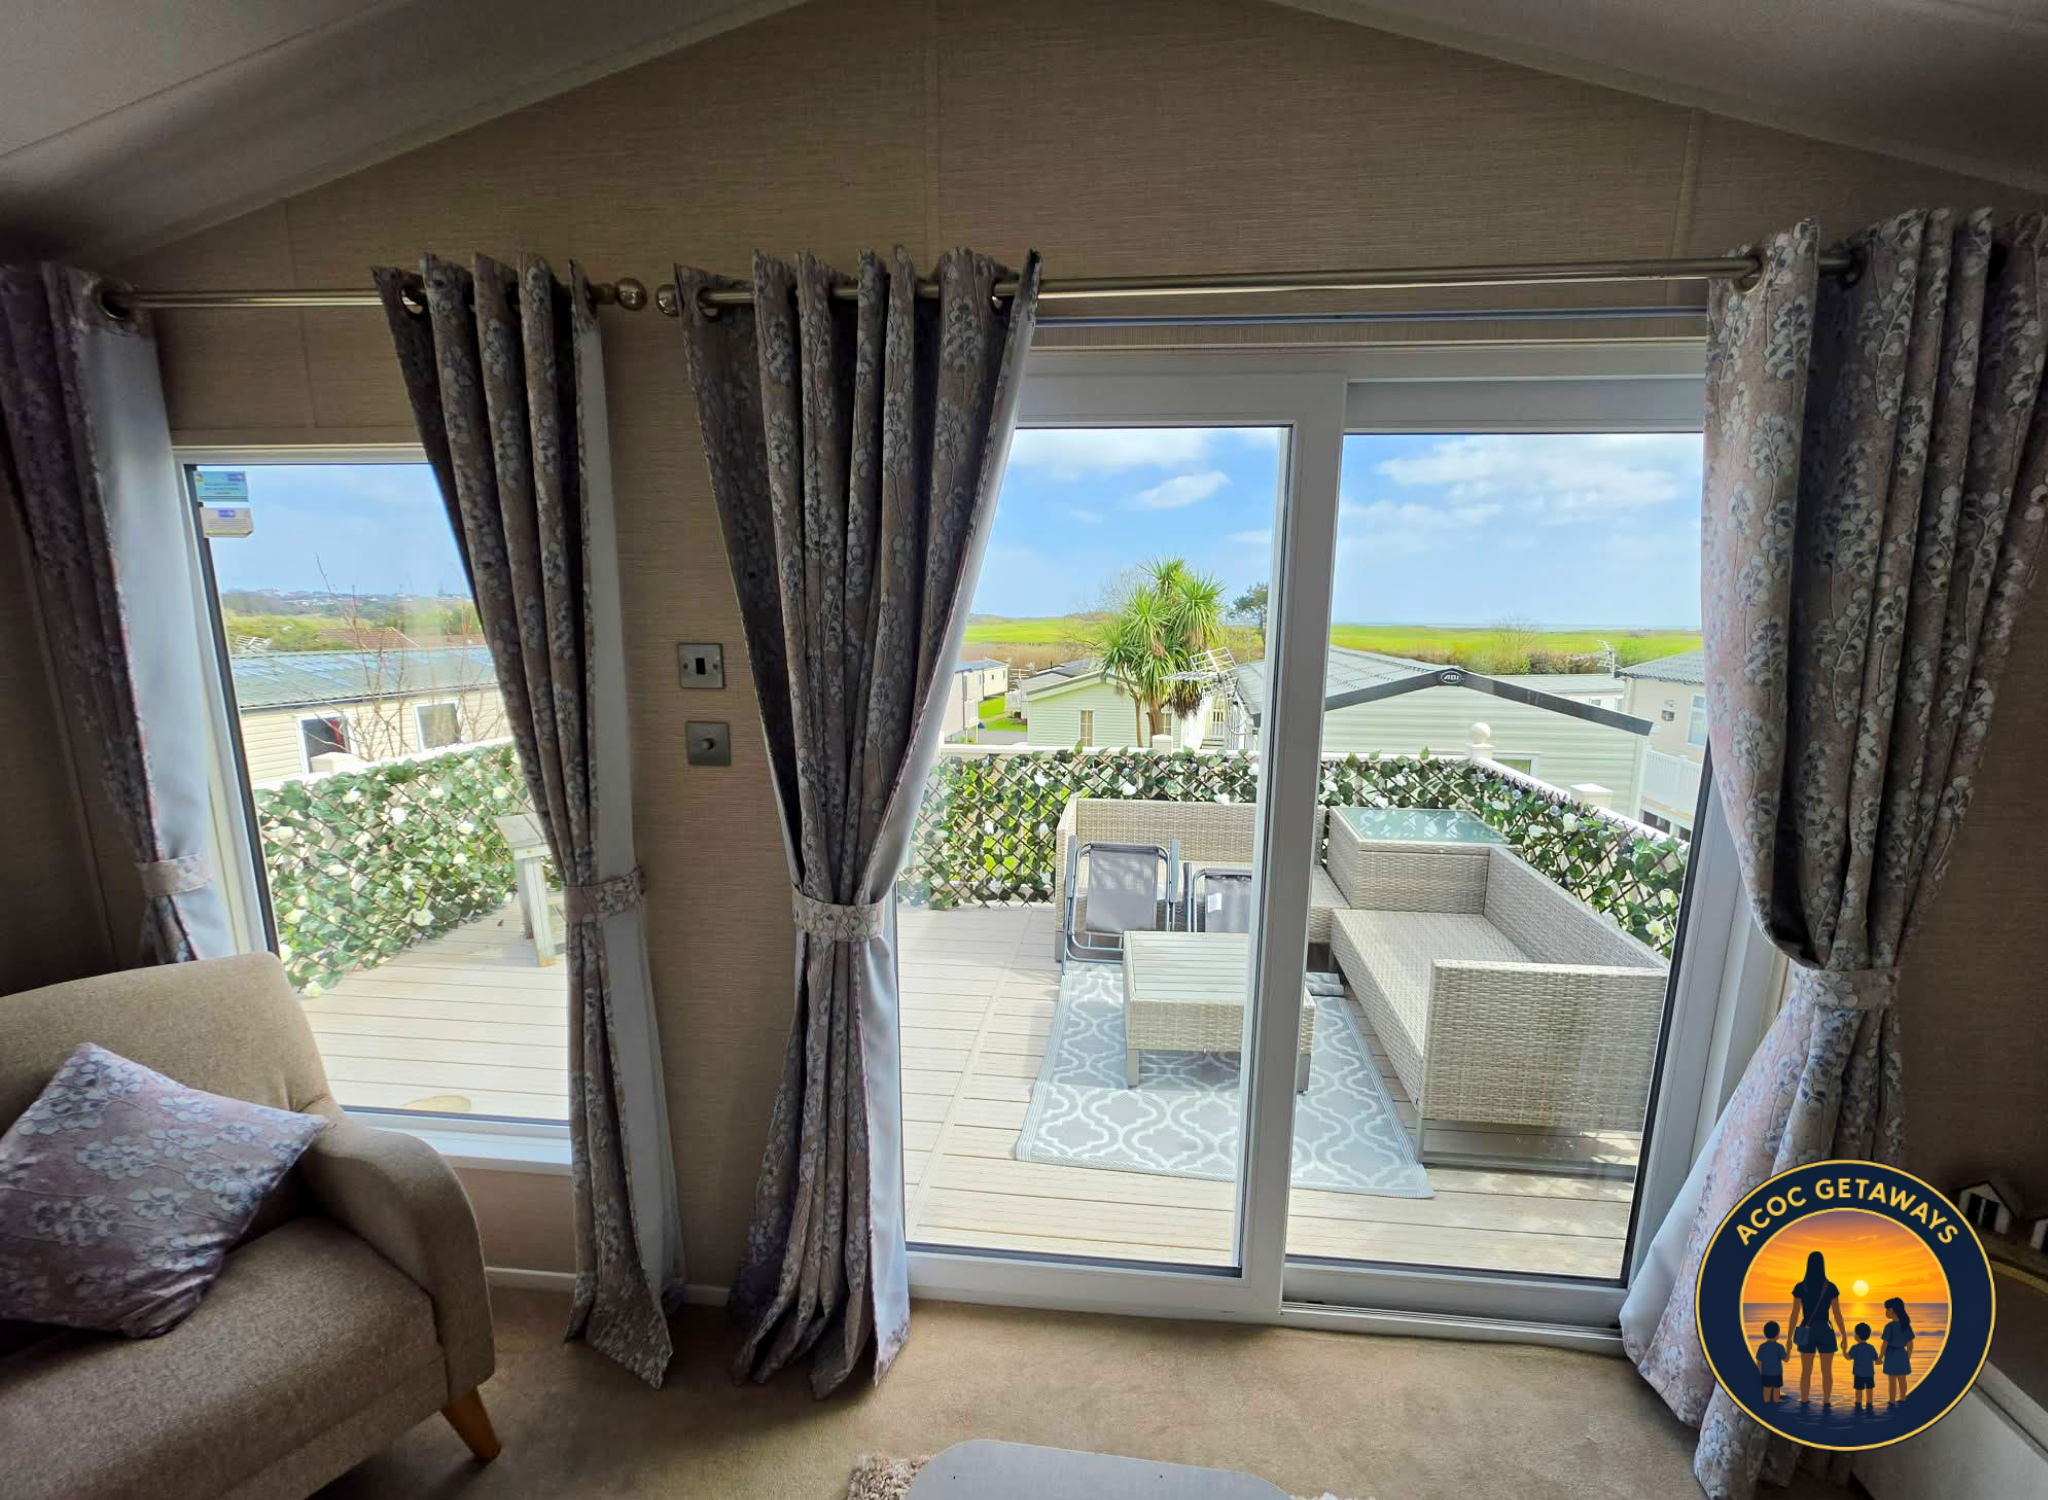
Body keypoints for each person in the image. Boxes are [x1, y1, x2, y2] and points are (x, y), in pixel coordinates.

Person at [1786, 1249, 1848, 1405]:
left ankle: (1805, 1400)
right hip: (1825, 1330)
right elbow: (1837, 1314)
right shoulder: (1830, 1287)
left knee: (1806, 1371)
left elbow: (1794, 1314)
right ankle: (1826, 1402)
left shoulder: (1801, 1287)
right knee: (1827, 1371)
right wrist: (1844, 1335)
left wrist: (1788, 1337)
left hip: (1806, 1329)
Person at [1881, 1296, 1915, 1405]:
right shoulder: (1906, 1326)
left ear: (1892, 1310)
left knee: (1892, 1380)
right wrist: (1908, 1356)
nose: (1886, 1312)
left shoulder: (1889, 1326)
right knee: (1902, 1378)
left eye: (1887, 1309)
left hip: (1892, 1354)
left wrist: (1880, 1357)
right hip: (1902, 1354)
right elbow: (1910, 1343)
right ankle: (1903, 1398)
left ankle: (1891, 1401)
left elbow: (1885, 1343)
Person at [1756, 1320, 1787, 1404]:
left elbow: (1759, 1361)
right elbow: (1785, 1359)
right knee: (1777, 1388)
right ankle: (1776, 1400)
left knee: (1766, 1388)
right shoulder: (1779, 1347)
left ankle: (1766, 1400)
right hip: (1777, 1373)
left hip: (1765, 1373)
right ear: (1778, 1334)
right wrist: (1789, 1349)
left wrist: (1760, 1372)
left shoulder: (1762, 1347)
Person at [1848, 1323, 1878, 1409]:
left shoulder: (1855, 1347)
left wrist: (1843, 1350)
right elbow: (1876, 1358)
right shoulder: (1871, 1347)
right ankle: (1869, 1404)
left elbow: (1848, 1357)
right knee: (1869, 1389)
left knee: (1859, 1390)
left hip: (1858, 1373)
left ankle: (1858, 1404)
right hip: (1869, 1373)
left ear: (1857, 1336)